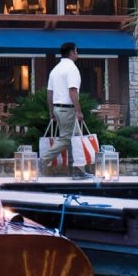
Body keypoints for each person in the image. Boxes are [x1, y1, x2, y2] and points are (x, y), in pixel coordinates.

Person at [41, 42, 87, 177]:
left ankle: (78, 171)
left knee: (75, 139)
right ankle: (42, 160)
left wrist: (51, 112)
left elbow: (49, 93)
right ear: (72, 52)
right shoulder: (72, 69)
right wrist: (78, 110)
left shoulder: (55, 70)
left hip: (57, 108)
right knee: (67, 139)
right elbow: (73, 90)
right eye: (77, 51)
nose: (77, 54)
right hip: (68, 109)